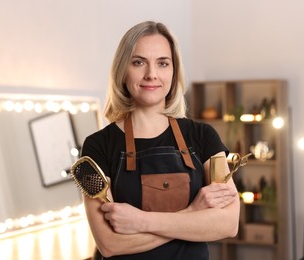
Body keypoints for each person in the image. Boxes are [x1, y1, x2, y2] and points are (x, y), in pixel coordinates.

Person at [80, 21, 240, 260]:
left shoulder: (204, 137)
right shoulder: (95, 146)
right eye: (138, 62)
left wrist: (141, 221)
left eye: (163, 63)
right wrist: (194, 214)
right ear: (123, 70)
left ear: (173, 72)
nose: (151, 74)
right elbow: (110, 244)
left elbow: (227, 224)